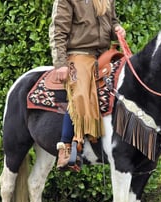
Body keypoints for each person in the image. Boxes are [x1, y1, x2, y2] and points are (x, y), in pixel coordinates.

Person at [49, 0, 126, 172]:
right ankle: (67, 146)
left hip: (104, 55)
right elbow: (58, 31)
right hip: (79, 54)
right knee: (81, 93)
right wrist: (60, 63)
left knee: (128, 79)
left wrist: (117, 29)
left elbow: (112, 21)